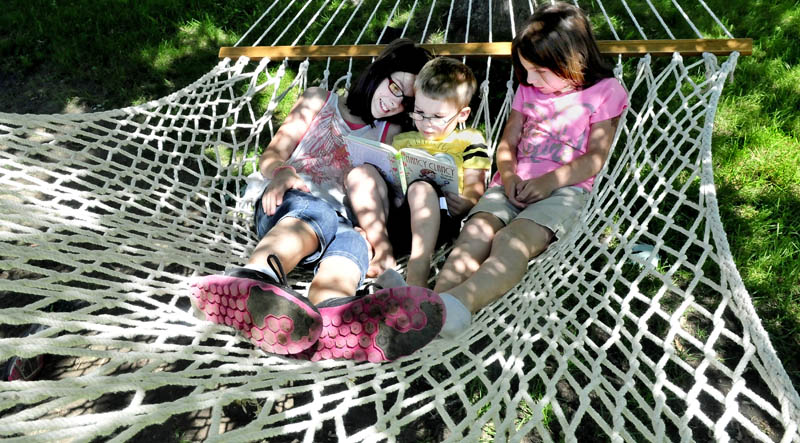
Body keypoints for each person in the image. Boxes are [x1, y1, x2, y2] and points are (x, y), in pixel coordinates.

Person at [190, 39, 446, 363]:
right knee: (319, 213)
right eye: (395, 87)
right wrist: (281, 173)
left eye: (406, 101)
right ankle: (253, 282)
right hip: (288, 204)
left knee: (354, 243)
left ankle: (329, 321)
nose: (394, 103)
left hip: (342, 220)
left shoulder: (392, 133)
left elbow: (384, 191)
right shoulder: (318, 100)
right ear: (380, 71)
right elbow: (272, 154)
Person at [430, 2, 629, 338]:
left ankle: (461, 303)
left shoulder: (605, 92)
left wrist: (550, 181)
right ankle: (432, 307)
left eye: (540, 71)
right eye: (526, 70)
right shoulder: (529, 90)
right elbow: (507, 144)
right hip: (514, 181)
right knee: (475, 233)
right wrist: (508, 178)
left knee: (511, 240)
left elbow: (596, 157)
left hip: (566, 188)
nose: (531, 79)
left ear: (572, 59)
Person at [346, 57, 491, 288]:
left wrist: (467, 202)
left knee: (421, 188)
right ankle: (380, 250)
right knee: (359, 174)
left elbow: (476, 185)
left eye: (437, 117)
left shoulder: (469, 140)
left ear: (462, 115)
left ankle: (417, 272)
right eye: (420, 112)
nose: (427, 123)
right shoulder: (403, 139)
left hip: (440, 220)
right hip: (397, 218)